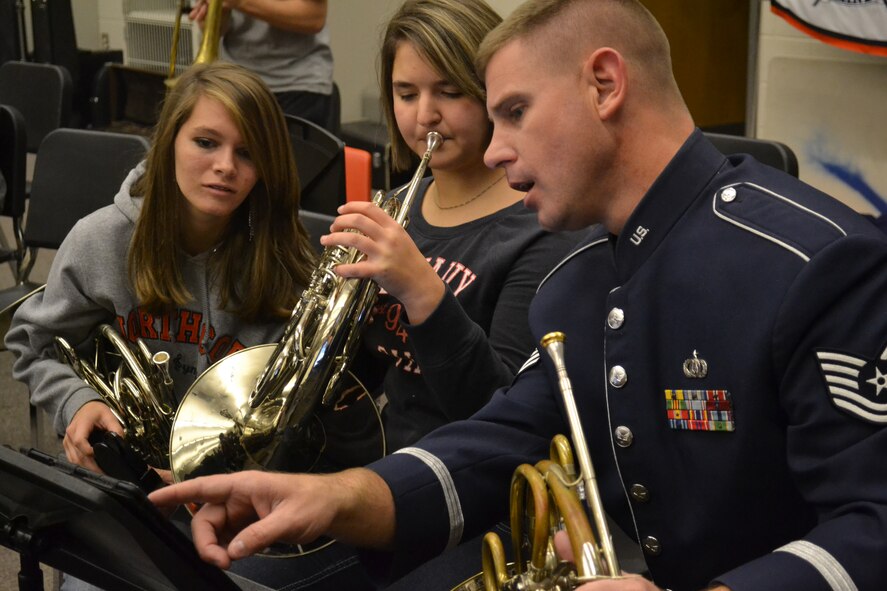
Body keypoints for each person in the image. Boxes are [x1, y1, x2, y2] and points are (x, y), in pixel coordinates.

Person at [150, 1, 887, 590]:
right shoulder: (579, 283)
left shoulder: (816, 258)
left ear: (603, 84)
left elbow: (873, 521)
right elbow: (498, 442)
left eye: (513, 112)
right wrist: (337, 496)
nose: (496, 150)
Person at [5, 61, 315, 475]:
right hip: (119, 477)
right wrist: (78, 401)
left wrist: (207, 475)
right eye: (206, 142)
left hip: (236, 482)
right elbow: (34, 343)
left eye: (247, 152)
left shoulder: (282, 259)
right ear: (170, 141)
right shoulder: (102, 239)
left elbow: (293, 404)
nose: (225, 166)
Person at [324, 0, 579, 452]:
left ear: (492, 92)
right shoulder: (397, 208)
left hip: (469, 480)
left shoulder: (545, 224)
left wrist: (421, 289)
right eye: (406, 94)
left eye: (449, 91)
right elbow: (355, 375)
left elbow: (502, 412)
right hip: (378, 457)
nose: (425, 115)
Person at [189, 0, 335, 132]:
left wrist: (240, 3)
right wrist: (213, 16)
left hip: (296, 84)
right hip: (238, 85)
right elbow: (221, 28)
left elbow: (314, 18)